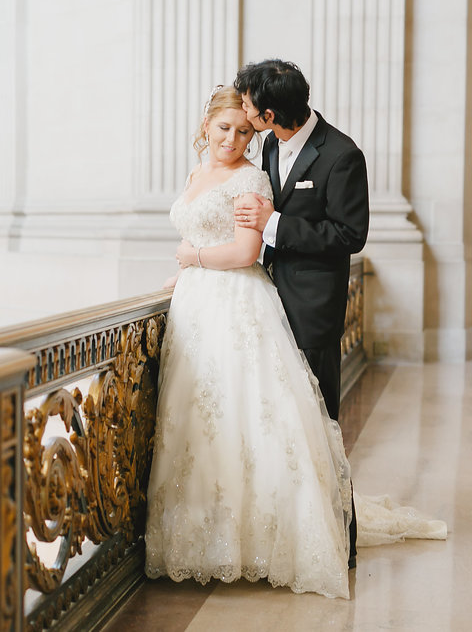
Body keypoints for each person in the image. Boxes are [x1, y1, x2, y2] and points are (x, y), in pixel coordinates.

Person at [145, 85, 354, 598]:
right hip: (196, 303)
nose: (233, 139)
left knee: (246, 414)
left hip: (237, 304)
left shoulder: (251, 177)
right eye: (223, 129)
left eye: (243, 131)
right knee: (198, 417)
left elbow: (243, 251)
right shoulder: (198, 174)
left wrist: (192, 259)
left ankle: (261, 539)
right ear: (206, 127)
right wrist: (182, 278)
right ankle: (205, 536)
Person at [231, 59, 369, 422]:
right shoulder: (271, 146)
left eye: (247, 105)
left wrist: (274, 222)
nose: (243, 109)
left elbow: (350, 235)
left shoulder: (342, 155)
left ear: (269, 115)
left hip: (313, 308)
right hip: (267, 300)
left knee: (317, 417)